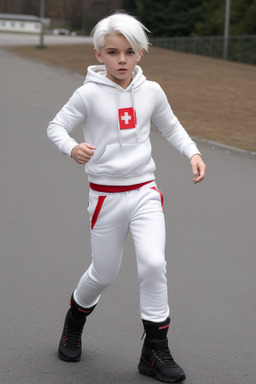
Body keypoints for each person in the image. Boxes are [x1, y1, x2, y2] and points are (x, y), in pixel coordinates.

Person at [47, 11, 206, 383]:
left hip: (144, 192)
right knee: (104, 273)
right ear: (99, 54)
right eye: (113, 52)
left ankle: (155, 351)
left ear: (140, 54)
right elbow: (55, 125)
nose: (122, 59)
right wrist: (72, 148)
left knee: (153, 264)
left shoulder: (151, 91)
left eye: (130, 52)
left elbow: (172, 126)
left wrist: (193, 152)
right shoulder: (87, 93)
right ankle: (73, 323)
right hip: (105, 198)